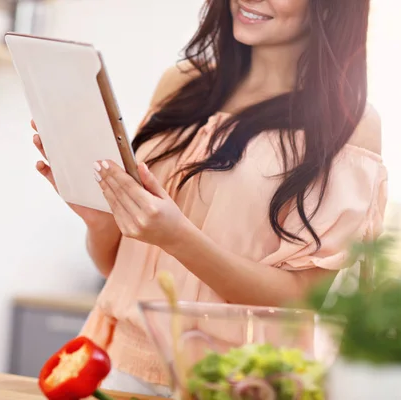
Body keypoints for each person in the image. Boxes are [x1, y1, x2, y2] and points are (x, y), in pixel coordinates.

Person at [31, 0, 387, 396]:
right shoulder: (181, 83)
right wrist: (101, 222)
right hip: (110, 361)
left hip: (234, 381)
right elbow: (119, 267)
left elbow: (301, 299)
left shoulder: (349, 125)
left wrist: (177, 237)